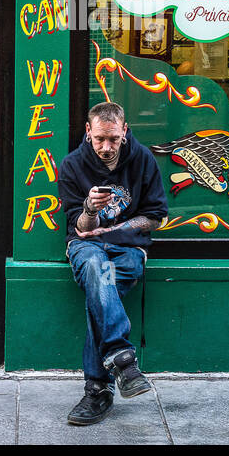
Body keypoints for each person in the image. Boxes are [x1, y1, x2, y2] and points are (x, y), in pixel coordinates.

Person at [58, 101, 168, 425]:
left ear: (125, 132)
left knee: (99, 290)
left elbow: (157, 218)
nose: (106, 148)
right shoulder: (72, 165)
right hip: (86, 244)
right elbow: (78, 229)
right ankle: (122, 361)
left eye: (114, 140)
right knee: (96, 269)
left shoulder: (143, 160)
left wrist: (120, 228)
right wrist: (90, 210)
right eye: (100, 139)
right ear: (88, 132)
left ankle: (99, 389)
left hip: (129, 250)